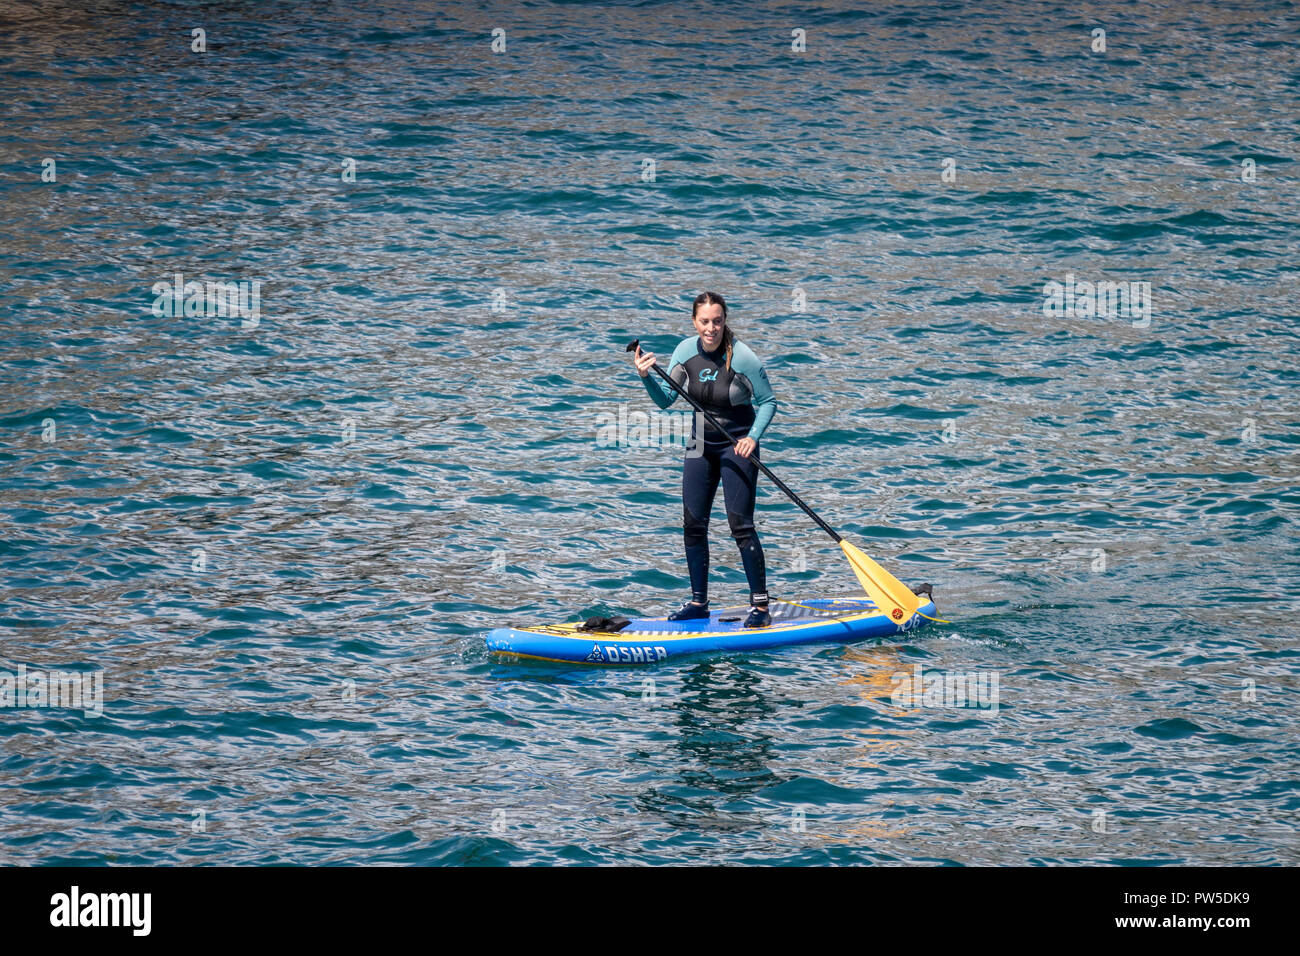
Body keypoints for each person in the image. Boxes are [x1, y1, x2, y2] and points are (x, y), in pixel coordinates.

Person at [632, 292, 777, 628]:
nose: (711, 328)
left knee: (740, 526)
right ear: (694, 322)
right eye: (704, 322)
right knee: (693, 524)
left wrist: (752, 437)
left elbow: (768, 402)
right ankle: (698, 602)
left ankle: (760, 607)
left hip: (737, 442)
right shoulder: (684, 352)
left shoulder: (743, 358)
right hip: (700, 441)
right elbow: (666, 401)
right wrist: (645, 377)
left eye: (717, 321)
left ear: (725, 320)